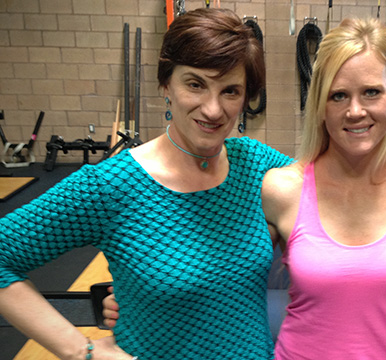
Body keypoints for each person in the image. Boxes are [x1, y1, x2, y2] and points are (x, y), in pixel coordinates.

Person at [0, 8, 292, 360]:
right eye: (195, 84)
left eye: (230, 91)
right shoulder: (110, 187)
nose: (213, 110)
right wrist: (80, 350)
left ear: (246, 98)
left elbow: (337, 192)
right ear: (166, 83)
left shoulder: (257, 164)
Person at [261, 18, 386, 359]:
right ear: (320, 106)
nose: (355, 111)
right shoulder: (283, 189)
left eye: (371, 92)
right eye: (338, 96)